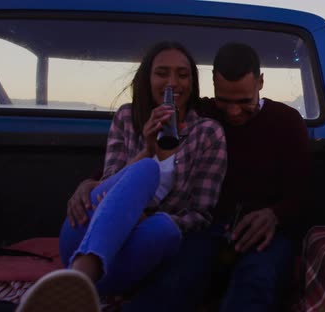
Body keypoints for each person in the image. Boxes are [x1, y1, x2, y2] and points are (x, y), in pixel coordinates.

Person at [15, 41, 227, 311]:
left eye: (182, 75)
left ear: (192, 82)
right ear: (147, 78)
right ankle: (79, 276)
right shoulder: (127, 117)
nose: (172, 82)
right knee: (146, 169)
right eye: (162, 73)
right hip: (85, 235)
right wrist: (148, 149)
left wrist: (143, 218)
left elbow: (200, 214)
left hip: (136, 251)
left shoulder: (208, 133)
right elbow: (109, 185)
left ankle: (78, 289)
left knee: (165, 228)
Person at [122, 42, 311, 312]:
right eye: (225, 100)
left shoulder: (287, 121)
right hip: (207, 228)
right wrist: (91, 182)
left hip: (266, 233)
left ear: (260, 82)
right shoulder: (200, 114)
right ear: (212, 83)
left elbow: (303, 192)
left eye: (244, 101)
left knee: (255, 284)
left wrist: (275, 214)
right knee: (174, 281)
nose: (233, 112)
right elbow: (155, 145)